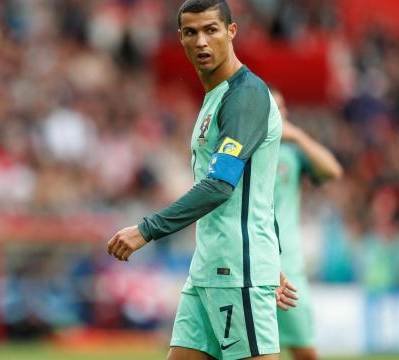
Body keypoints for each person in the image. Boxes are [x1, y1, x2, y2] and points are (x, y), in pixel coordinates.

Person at [107, 1, 296, 359]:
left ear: (231, 31)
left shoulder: (246, 97)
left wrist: (146, 229)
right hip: (209, 269)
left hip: (237, 270)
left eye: (211, 29)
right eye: (191, 32)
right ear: (180, 38)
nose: (202, 42)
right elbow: (258, 192)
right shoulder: (216, 97)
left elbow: (220, 186)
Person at [271, 88, 343, 360]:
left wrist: (299, 136)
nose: (284, 114)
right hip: (251, 263)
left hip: (288, 264)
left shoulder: (293, 152)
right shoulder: (244, 150)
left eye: (284, 108)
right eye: (277, 108)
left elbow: (332, 170)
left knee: (304, 349)